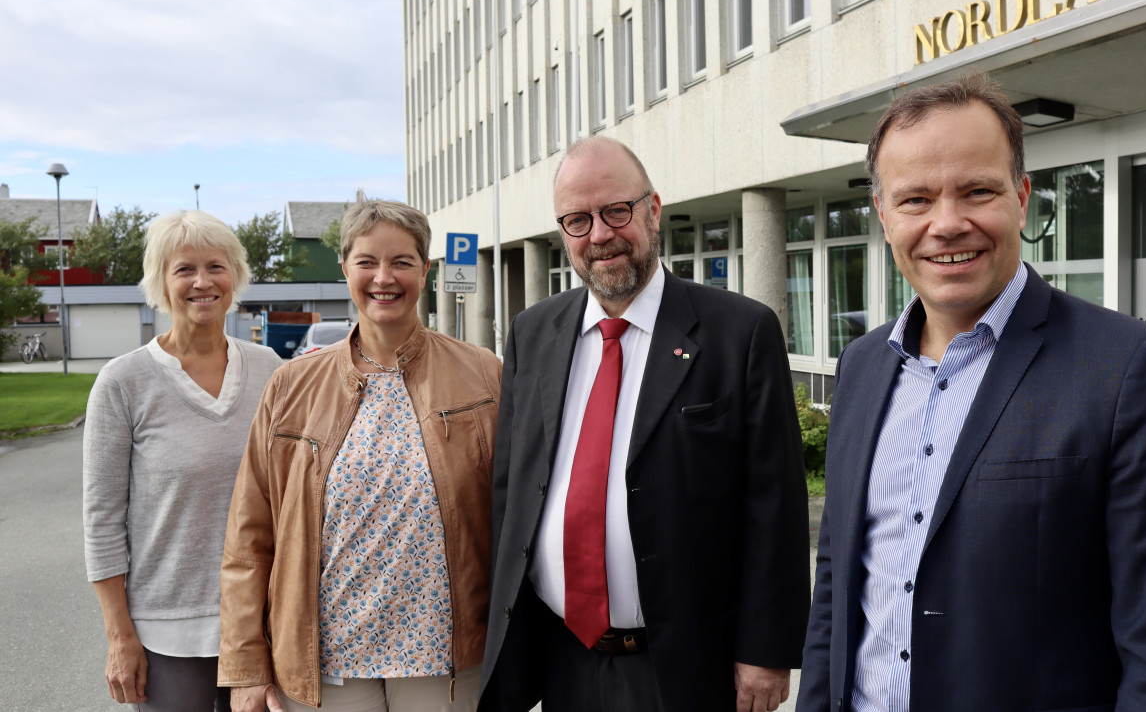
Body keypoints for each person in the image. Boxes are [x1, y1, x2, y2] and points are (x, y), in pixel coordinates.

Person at [797, 74, 1146, 712]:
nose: (947, 224)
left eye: (977, 191)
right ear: (882, 215)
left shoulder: (1133, 371)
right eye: (915, 200)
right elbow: (837, 590)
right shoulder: (862, 367)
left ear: (1021, 197)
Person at [479, 137, 810, 712]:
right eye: (578, 221)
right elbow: (511, 488)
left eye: (616, 211)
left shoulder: (740, 333)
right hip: (563, 657)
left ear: (653, 210)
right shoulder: (533, 333)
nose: (600, 235)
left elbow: (773, 504)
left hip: (686, 666)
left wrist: (766, 649)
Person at [218, 192, 502, 712]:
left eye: (402, 262)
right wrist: (246, 668)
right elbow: (248, 537)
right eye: (367, 261)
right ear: (346, 267)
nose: (383, 277)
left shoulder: (483, 374)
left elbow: (518, 511)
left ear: (426, 270)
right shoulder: (291, 386)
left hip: (446, 658)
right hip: (326, 660)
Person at [83, 210, 283, 710]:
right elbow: (102, 520)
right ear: (160, 283)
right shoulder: (123, 382)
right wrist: (119, 636)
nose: (202, 282)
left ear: (235, 276)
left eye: (216, 266)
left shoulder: (270, 371)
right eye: (184, 269)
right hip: (166, 629)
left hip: (262, 619)